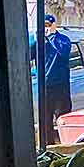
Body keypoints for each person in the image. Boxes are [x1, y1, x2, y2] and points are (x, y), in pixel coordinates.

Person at [31, 14, 72, 144]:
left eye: (48, 25)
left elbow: (63, 52)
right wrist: (36, 38)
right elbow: (27, 53)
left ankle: (66, 143)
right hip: (44, 86)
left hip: (60, 85)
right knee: (45, 119)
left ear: (54, 25)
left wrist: (52, 36)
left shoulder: (62, 39)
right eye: (44, 26)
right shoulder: (39, 41)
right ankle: (47, 146)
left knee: (62, 117)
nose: (46, 28)